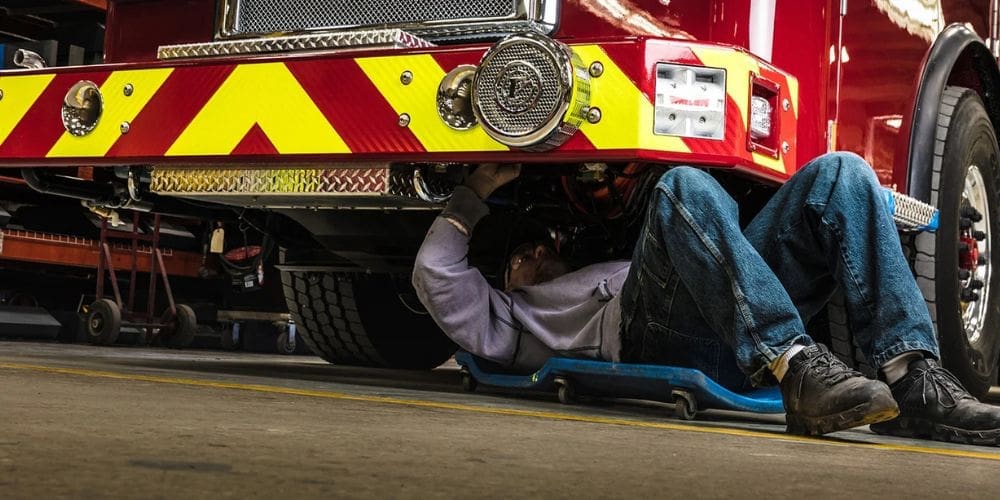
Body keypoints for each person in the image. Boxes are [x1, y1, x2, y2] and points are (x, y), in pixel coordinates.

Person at [412, 152, 1000, 445]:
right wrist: (475, 190)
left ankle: (912, 380)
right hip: (654, 336)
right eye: (518, 261)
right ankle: (794, 364)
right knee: (681, 187)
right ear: (506, 288)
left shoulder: (595, 261)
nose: (533, 255)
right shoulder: (511, 321)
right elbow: (435, 274)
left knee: (842, 172)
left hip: (726, 311)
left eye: (537, 246)